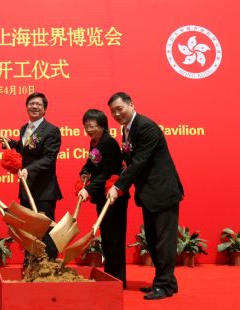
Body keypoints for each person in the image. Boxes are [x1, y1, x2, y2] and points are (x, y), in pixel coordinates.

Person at [106, 92, 184, 300]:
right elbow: (130, 160)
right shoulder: (127, 129)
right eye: (113, 111)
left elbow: (139, 162)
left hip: (162, 192)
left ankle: (163, 286)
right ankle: (168, 281)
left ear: (131, 104)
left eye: (119, 109)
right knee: (153, 239)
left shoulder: (146, 127)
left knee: (163, 241)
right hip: (149, 194)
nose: (116, 114)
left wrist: (118, 186)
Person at [1, 92, 62, 261]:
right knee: (28, 228)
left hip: (44, 189)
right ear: (27, 106)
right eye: (31, 104)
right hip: (26, 187)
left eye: (39, 105)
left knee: (45, 228)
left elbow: (49, 158)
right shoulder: (24, 128)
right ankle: (31, 265)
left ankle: (49, 266)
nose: (34, 107)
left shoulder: (51, 130)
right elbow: (25, 151)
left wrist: (29, 169)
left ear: (44, 109)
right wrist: (12, 143)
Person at [77, 109, 128, 288]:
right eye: (87, 126)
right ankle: (110, 276)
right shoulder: (95, 142)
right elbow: (91, 163)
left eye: (93, 126)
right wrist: (84, 172)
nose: (89, 129)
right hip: (102, 196)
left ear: (103, 126)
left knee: (115, 238)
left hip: (113, 197)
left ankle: (119, 280)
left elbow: (107, 172)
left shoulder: (109, 143)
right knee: (106, 237)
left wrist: (89, 189)